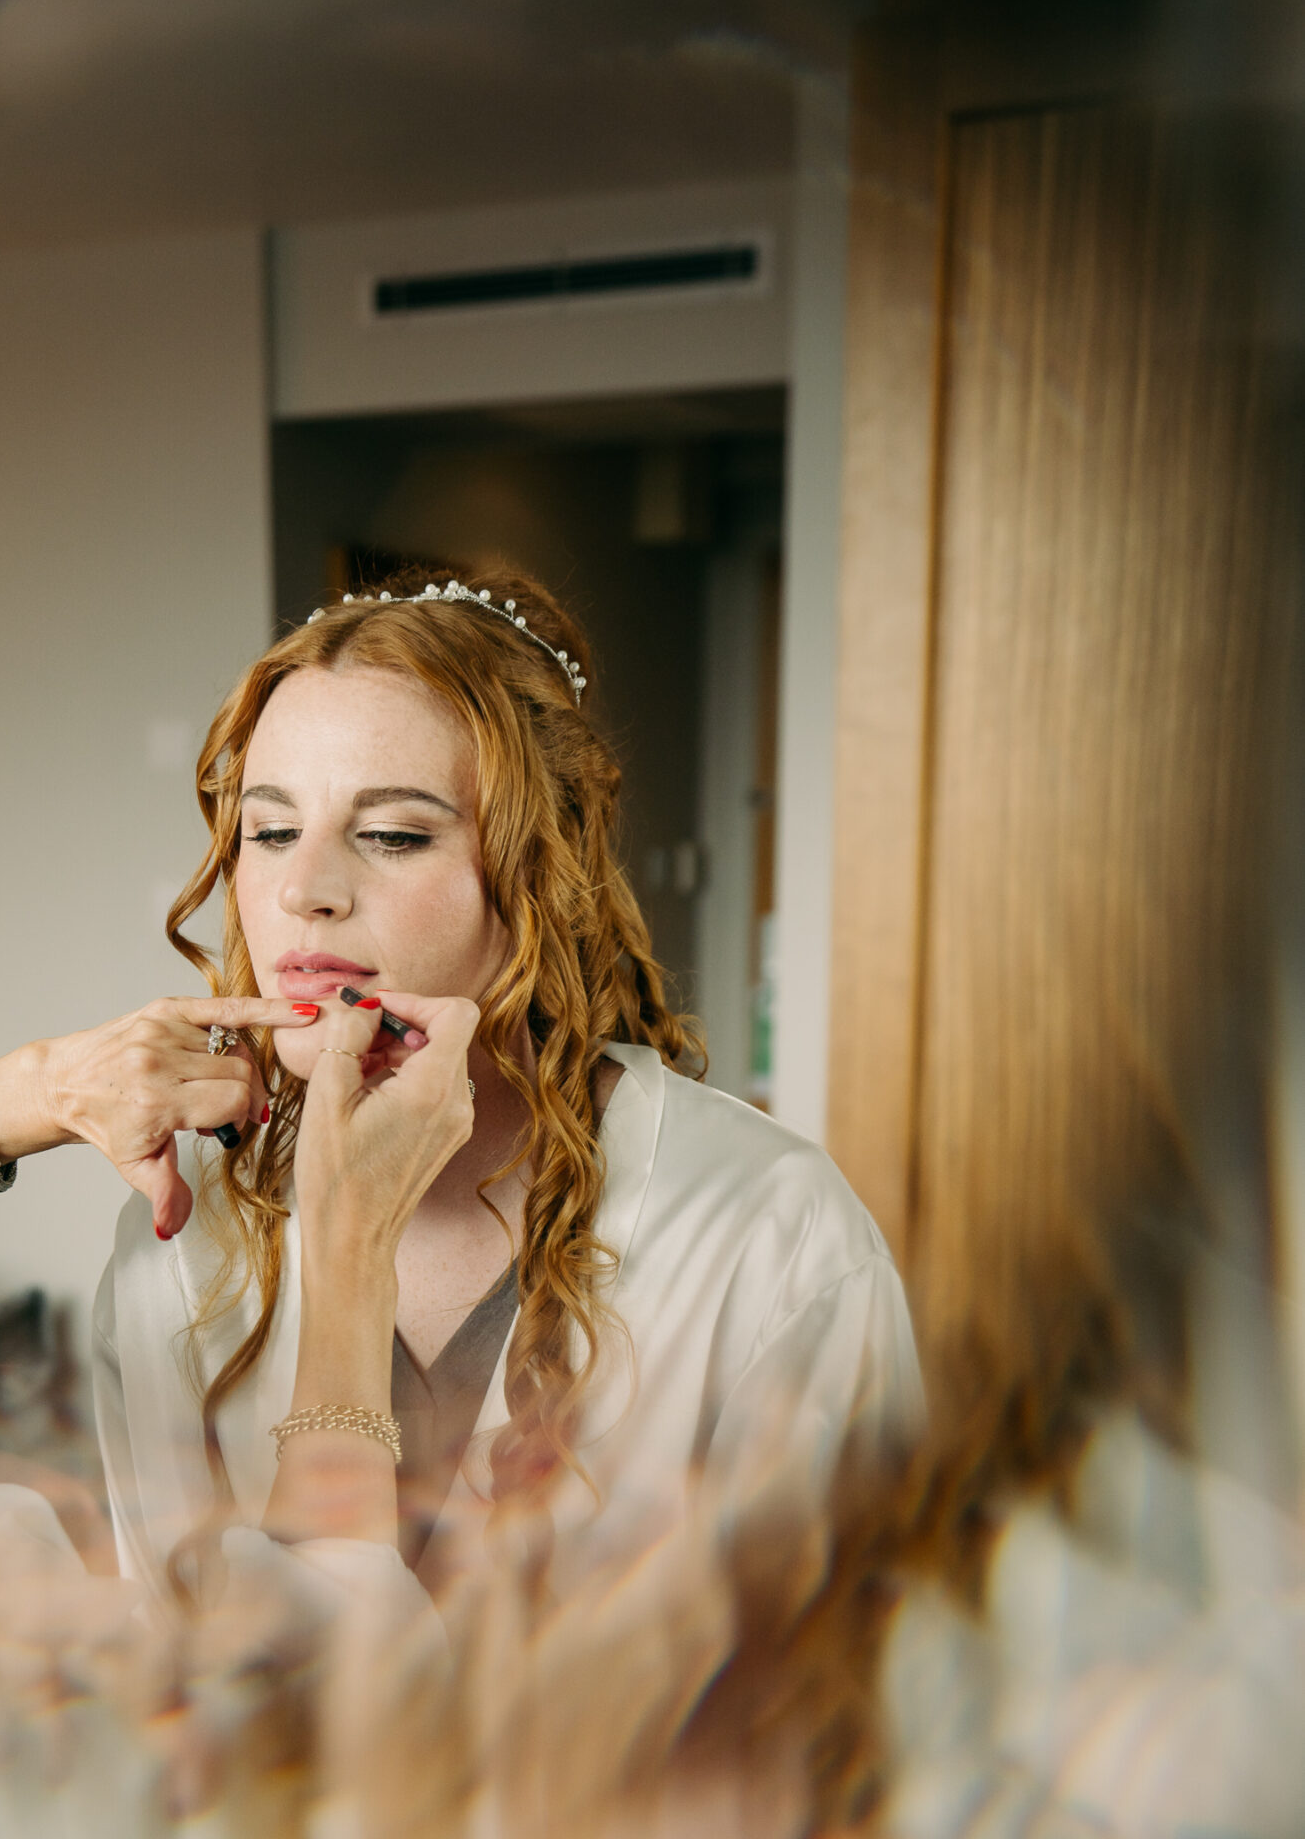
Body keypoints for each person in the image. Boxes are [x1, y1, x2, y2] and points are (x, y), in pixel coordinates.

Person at [85, 568, 924, 1642]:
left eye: (391, 835)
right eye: (271, 830)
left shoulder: (772, 1233)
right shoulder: (178, 1230)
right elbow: (186, 1695)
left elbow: (849, 1693)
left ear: (540, 868)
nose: (306, 891)